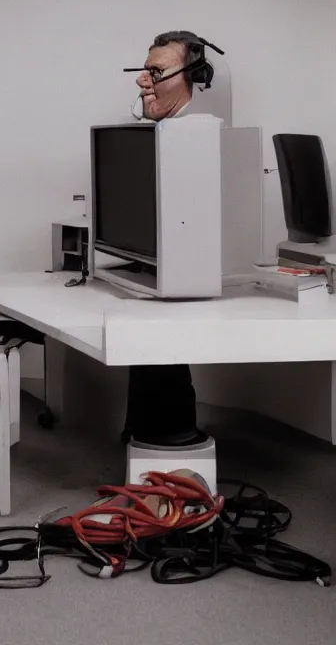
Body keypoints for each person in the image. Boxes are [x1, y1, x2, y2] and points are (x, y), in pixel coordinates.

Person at [121, 30, 217, 447]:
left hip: (187, 278)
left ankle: (169, 439)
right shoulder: (163, 132)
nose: (143, 80)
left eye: (156, 72)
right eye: (144, 70)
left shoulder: (196, 137)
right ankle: (152, 434)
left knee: (156, 336)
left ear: (192, 76)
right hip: (160, 271)